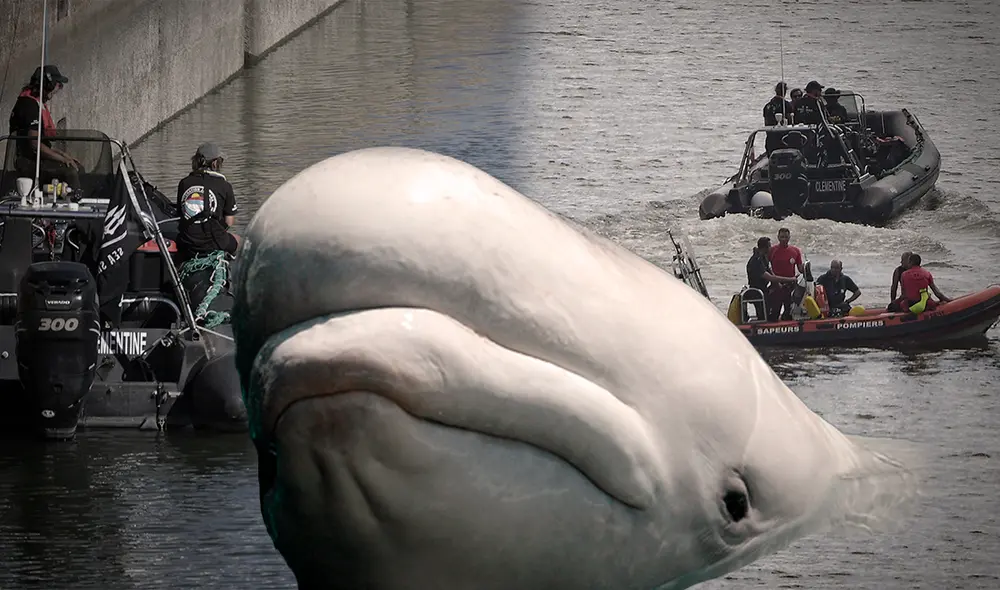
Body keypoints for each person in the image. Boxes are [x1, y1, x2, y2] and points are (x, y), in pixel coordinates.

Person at [7, 65, 83, 196]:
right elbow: (35, 145)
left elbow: (42, 143)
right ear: (49, 84)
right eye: (58, 85)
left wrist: (64, 155)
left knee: (75, 165)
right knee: (70, 171)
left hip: (36, 158)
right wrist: (62, 160)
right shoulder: (29, 106)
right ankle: (75, 207)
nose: (58, 89)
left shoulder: (34, 102)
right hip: (29, 163)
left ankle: (68, 199)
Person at [176, 142, 241, 260]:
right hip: (214, 241)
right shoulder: (225, 185)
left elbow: (181, 213)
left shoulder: (184, 183)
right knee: (238, 241)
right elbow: (229, 221)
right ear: (215, 163)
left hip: (188, 242)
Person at [746, 236, 795, 320]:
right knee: (764, 315)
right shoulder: (756, 261)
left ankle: (785, 315)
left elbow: (770, 271)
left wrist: (779, 285)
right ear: (765, 247)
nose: (771, 248)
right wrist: (791, 279)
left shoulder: (763, 257)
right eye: (769, 246)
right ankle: (768, 320)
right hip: (757, 291)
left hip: (764, 289)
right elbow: (770, 278)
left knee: (782, 292)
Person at [767, 227, 805, 321]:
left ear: (789, 238)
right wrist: (774, 280)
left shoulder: (795, 251)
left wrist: (806, 268)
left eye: (786, 237)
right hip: (777, 285)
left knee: (789, 312)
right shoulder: (772, 250)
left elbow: (800, 269)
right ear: (778, 237)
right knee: (775, 311)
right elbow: (766, 267)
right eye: (782, 237)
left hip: (791, 285)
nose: (784, 239)